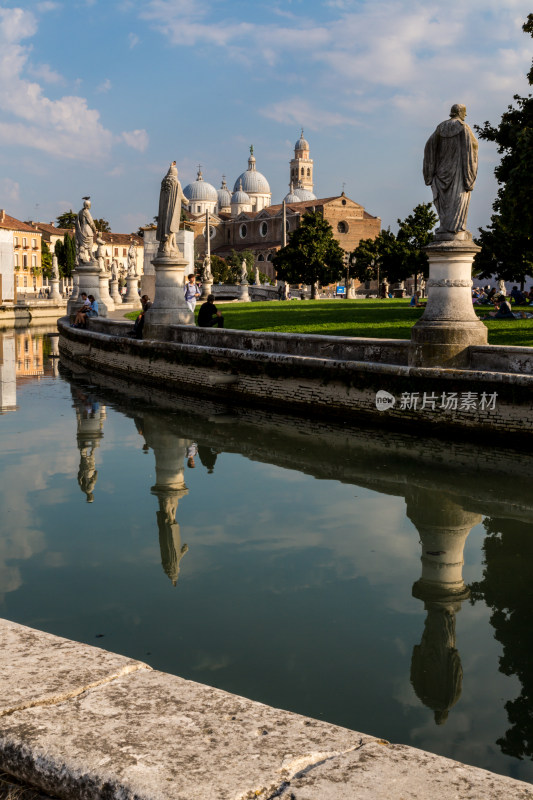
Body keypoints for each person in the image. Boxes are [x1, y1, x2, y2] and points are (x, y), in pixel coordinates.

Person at [423, 104, 478, 236]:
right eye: (464, 112)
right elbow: (471, 148)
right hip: (458, 172)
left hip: (441, 172)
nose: (465, 115)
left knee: (445, 203)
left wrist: (429, 172)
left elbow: (429, 147)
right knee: (458, 200)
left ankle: (445, 227)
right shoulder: (463, 127)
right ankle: (456, 229)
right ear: (459, 112)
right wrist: (470, 175)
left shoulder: (440, 128)